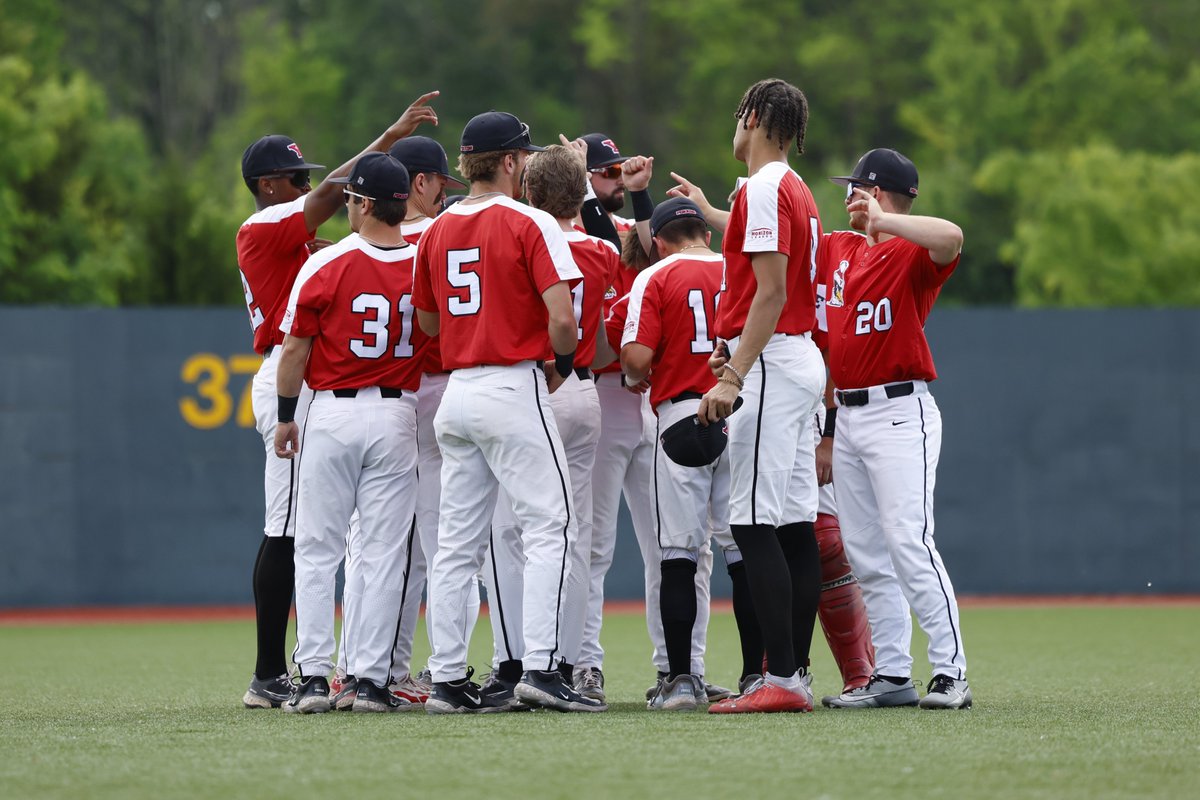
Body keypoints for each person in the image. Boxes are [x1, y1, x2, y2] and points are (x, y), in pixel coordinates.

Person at [237, 92, 438, 709]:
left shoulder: (327, 255)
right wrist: (388, 135)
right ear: (269, 185)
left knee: (318, 538)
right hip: (311, 385)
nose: (309, 188)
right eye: (294, 178)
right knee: (297, 531)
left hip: (325, 394)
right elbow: (334, 189)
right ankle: (286, 671)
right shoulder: (268, 226)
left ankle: (321, 672)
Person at [412, 111, 603, 713]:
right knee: (552, 525)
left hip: (457, 390)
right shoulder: (529, 221)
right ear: (514, 162)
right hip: (512, 384)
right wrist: (562, 365)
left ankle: (445, 677)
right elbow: (564, 318)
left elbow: (428, 322)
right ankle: (543, 667)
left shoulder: (438, 228)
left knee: (457, 545)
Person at [670, 78, 825, 714]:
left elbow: (770, 292)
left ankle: (782, 678)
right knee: (792, 526)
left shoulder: (763, 186)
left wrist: (733, 370)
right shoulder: (792, 186)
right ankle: (797, 674)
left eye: (739, 116)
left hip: (774, 363)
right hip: (796, 357)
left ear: (757, 117)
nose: (733, 129)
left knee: (750, 521)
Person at [273, 152, 426, 713]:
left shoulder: (328, 263)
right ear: (402, 202)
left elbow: (295, 349)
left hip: (334, 411)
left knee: (317, 550)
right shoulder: (422, 263)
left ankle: (314, 677)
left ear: (361, 203)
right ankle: (367, 680)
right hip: (397, 412)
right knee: (383, 553)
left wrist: (287, 413)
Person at [818, 148, 971, 709]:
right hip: (851, 416)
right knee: (865, 552)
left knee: (909, 541)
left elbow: (952, 236)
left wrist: (885, 221)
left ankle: (951, 672)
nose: (847, 197)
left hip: (900, 411)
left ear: (876, 193)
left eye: (855, 188)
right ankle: (892, 674)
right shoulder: (843, 247)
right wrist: (713, 213)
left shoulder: (910, 252)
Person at [621, 198, 764, 710]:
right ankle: (756, 675)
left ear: (659, 240)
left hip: (682, 415)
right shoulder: (739, 266)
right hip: (741, 411)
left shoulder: (656, 276)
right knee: (743, 552)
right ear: (704, 230)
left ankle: (681, 679)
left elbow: (636, 359)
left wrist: (636, 369)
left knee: (679, 553)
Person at [481, 143, 612, 702]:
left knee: (511, 534)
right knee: (571, 535)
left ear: (529, 192)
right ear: (580, 194)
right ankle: (570, 662)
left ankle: (516, 663)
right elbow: (603, 341)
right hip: (583, 388)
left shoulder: (522, 235)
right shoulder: (602, 253)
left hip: (534, 386)